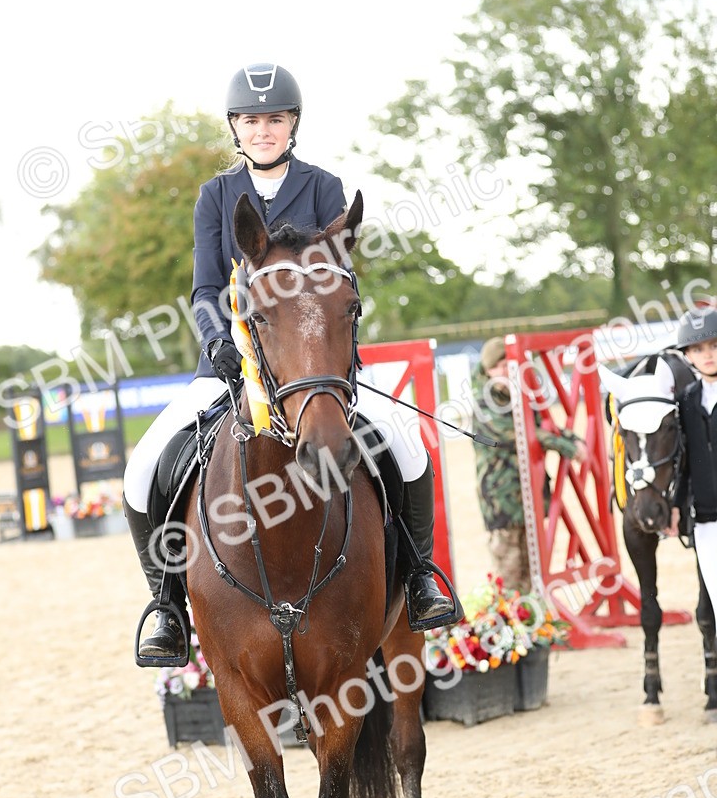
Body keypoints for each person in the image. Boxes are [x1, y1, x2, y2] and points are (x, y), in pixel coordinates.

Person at [123, 61, 461, 661]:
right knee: (144, 465)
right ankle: (168, 609)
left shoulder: (325, 187)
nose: (263, 131)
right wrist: (217, 342)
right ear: (235, 127)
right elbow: (205, 290)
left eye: (274, 119)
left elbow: (337, 282)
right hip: (234, 366)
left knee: (408, 444)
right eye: (252, 121)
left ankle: (419, 579)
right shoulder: (216, 196)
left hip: (319, 370)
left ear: (293, 124)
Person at [471, 336, 587, 593]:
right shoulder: (484, 405)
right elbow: (523, 434)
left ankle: (533, 625)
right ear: (487, 371)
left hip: (528, 498)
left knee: (534, 574)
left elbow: (544, 427)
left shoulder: (519, 398)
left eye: (508, 364)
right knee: (509, 575)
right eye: (498, 366)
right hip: (502, 503)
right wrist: (568, 447)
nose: (505, 371)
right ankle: (513, 629)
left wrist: (573, 439)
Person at [666, 307, 717, 610]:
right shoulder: (686, 400)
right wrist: (676, 505)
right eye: (698, 348)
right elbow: (684, 463)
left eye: (714, 345)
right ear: (688, 355)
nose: (708, 354)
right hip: (706, 518)